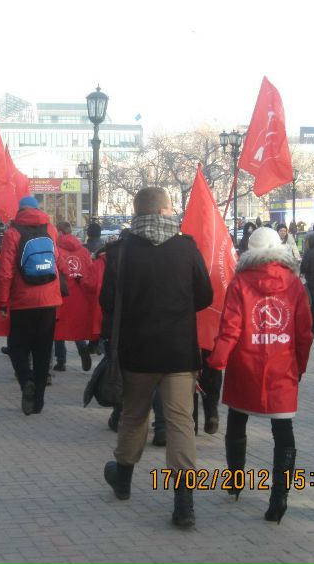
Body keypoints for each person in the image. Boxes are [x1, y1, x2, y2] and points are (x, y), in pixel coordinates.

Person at [101, 187, 212, 528]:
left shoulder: (120, 251)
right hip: (179, 351)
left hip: (136, 352)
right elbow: (205, 295)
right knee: (181, 422)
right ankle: (184, 503)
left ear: (136, 213)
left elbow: (107, 302)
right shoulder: (186, 248)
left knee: (134, 416)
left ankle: (122, 477)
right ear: (165, 210)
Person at [208, 227, 313, 523]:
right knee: (283, 432)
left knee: (237, 421)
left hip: (246, 364)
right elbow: (303, 333)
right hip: (283, 368)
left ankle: (235, 481)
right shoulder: (294, 284)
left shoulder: (240, 282)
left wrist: (216, 363)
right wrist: (300, 367)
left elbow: (230, 329)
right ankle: (279, 497)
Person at [0, 196, 66, 415]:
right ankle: (37, 402)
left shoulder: (12, 233)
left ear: (20, 210)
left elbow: (6, 271)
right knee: (43, 351)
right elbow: (57, 258)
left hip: (22, 300)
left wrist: (2, 300)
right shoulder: (50, 229)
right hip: (49, 300)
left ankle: (26, 379)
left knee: (17, 346)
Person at [53, 220, 95, 372]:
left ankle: (61, 361)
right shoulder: (83, 251)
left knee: (58, 328)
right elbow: (91, 271)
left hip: (61, 294)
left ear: (59, 232)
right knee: (75, 325)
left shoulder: (56, 250)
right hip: (79, 295)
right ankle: (82, 348)